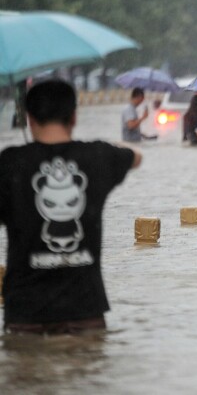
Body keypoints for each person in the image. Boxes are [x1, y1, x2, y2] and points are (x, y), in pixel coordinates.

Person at [0, 78, 141, 334]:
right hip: (85, 313)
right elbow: (136, 157)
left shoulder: (9, 164)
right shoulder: (98, 156)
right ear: (74, 116)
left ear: (28, 118)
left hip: (25, 315)